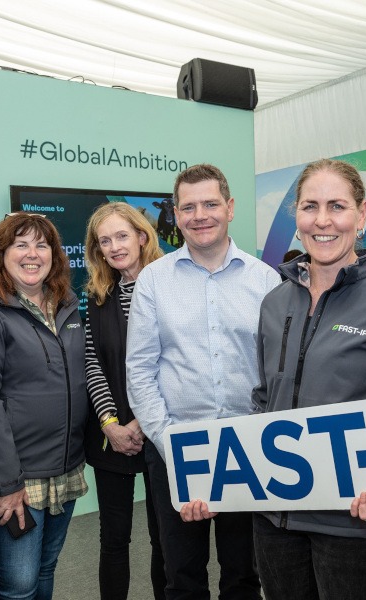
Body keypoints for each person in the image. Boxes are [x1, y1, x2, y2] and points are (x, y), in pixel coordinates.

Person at [251, 158, 366, 600]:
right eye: (310, 206)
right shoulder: (273, 303)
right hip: (276, 518)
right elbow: (262, 398)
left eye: (337, 206)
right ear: (296, 216)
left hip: (352, 522)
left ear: (361, 215)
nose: (323, 220)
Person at [127, 164, 280, 599]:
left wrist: (262, 432)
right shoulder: (154, 281)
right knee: (182, 574)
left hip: (248, 449)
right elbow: (139, 369)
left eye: (210, 204)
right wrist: (170, 443)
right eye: (189, 207)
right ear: (175, 215)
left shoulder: (265, 281)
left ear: (229, 208)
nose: (200, 215)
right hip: (176, 445)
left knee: (244, 574)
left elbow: (276, 370)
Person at [0, 212, 88, 600]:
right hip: (15, 478)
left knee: (45, 570)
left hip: (63, 469)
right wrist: (7, 484)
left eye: (41, 245)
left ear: (55, 255)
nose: (33, 254)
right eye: (21, 244)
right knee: (17, 585)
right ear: (1, 254)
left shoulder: (65, 305)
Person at [83, 202, 166, 600]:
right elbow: (92, 364)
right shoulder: (97, 297)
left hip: (163, 432)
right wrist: (110, 423)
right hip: (112, 434)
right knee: (113, 540)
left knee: (166, 537)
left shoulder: (169, 287)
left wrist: (142, 422)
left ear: (142, 236)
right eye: (104, 241)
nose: (114, 247)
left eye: (121, 235)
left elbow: (175, 363)